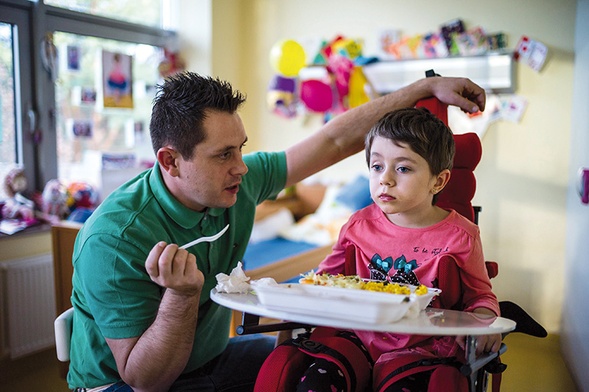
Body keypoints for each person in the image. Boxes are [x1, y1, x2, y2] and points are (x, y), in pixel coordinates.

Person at [67, 71, 486, 392]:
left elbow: (334, 140)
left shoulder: (237, 183)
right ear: (171, 161)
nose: (242, 167)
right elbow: (144, 379)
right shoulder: (113, 239)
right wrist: (180, 296)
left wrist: (420, 89)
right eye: (224, 154)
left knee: (297, 363)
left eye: (242, 148)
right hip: (130, 383)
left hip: (209, 360)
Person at [296, 107, 500, 392]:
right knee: (314, 384)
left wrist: (483, 321)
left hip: (425, 347)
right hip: (358, 337)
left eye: (402, 168)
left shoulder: (461, 236)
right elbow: (322, 280)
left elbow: (481, 297)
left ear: (438, 181)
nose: (385, 179)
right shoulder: (358, 225)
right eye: (377, 166)